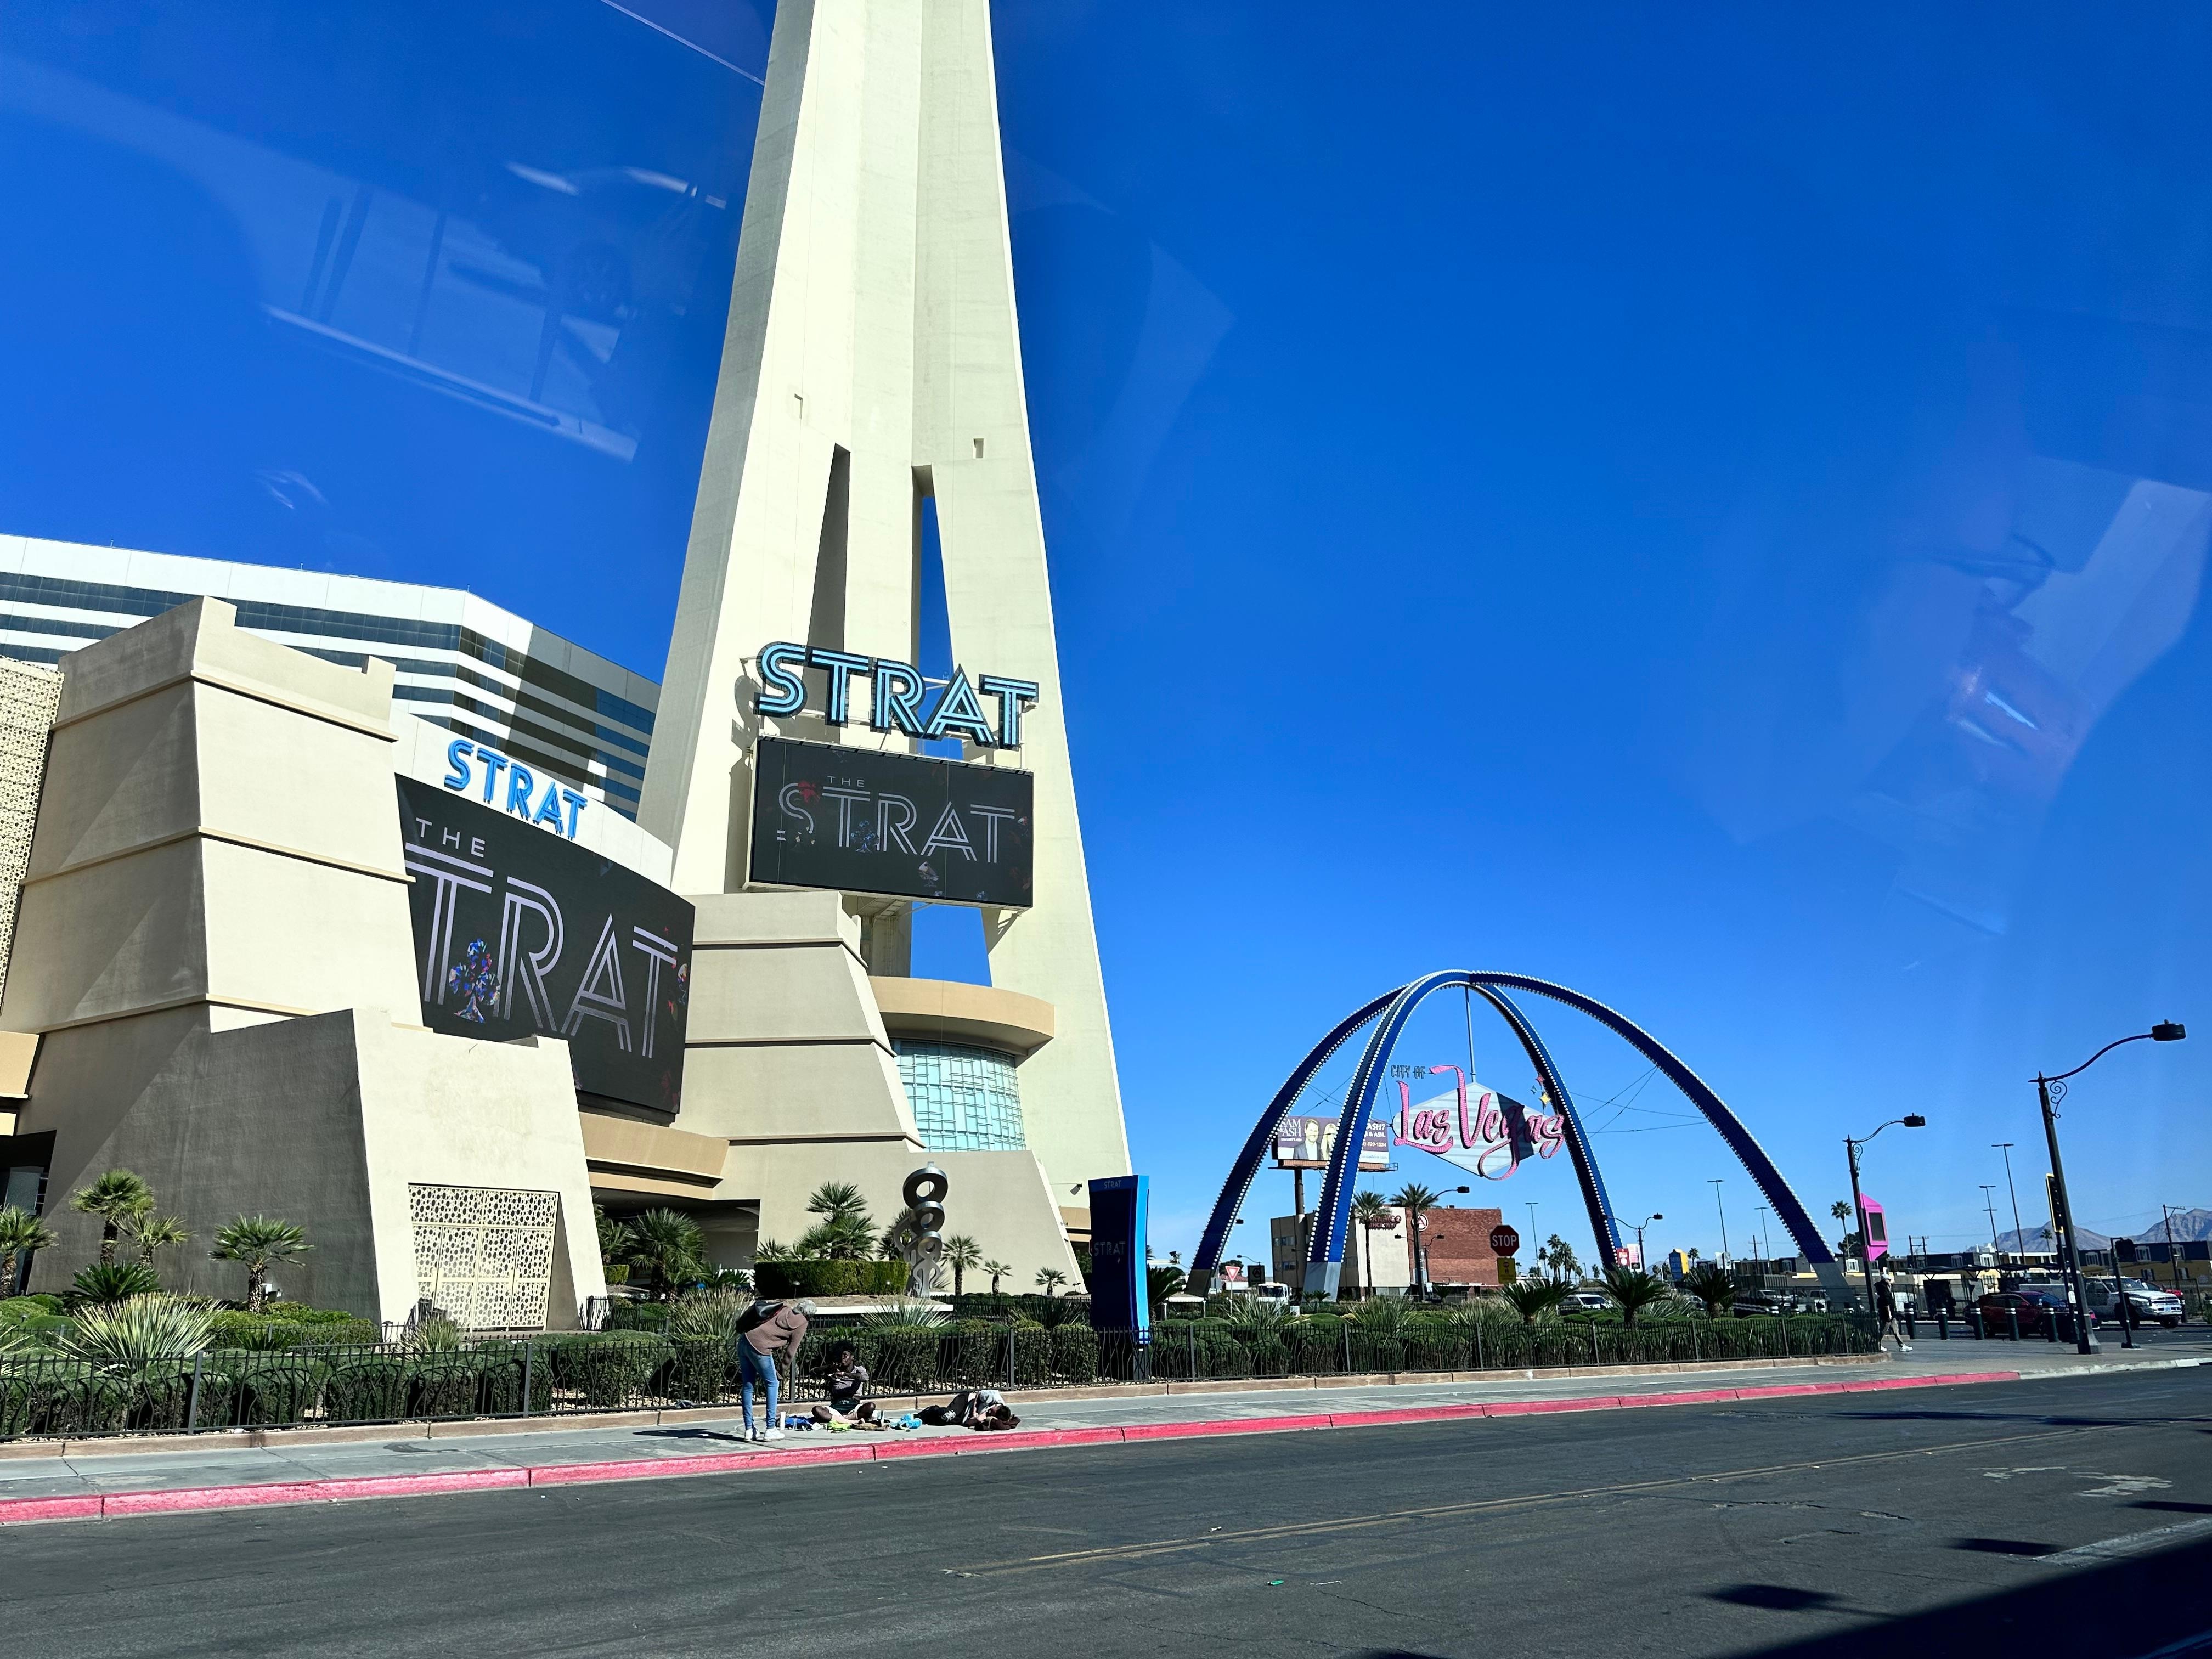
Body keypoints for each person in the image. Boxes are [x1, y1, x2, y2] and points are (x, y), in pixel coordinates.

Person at [739, 1297, 813, 1441]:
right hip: (760, 1348)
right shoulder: (803, 1322)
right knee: (773, 1383)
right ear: (809, 1315)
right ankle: (771, 1429)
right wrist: (781, 1371)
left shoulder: (785, 1309)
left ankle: (749, 1430)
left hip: (745, 1341)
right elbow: (791, 1352)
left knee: (748, 1386)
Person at [811, 1340, 878, 1426]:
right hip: (836, 1407)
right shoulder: (835, 1370)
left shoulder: (859, 1370)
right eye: (841, 1356)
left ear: (852, 1358)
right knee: (817, 1410)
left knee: (871, 1406)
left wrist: (845, 1374)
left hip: (853, 1407)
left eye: (845, 1356)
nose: (842, 1358)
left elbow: (865, 1378)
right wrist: (828, 1367)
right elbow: (813, 1372)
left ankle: (841, 1420)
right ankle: (853, 1422)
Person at [917, 1386, 1021, 1430]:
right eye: (992, 1411)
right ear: (998, 1406)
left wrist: (978, 1419)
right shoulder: (994, 1397)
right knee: (948, 1415)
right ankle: (930, 1410)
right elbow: (978, 1394)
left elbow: (968, 1424)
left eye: (992, 1414)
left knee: (941, 1421)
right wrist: (974, 1411)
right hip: (966, 1401)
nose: (990, 1412)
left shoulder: (989, 1417)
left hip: (963, 1417)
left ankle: (922, 1418)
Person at [1875, 1276, 1912, 1353]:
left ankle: (1901, 1345)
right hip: (1887, 1315)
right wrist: (1889, 1314)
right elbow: (1886, 1303)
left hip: (1891, 1314)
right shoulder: (1883, 1290)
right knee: (1883, 1331)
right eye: (1889, 1280)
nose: (1890, 1282)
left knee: (1896, 1331)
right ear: (1886, 1280)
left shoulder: (1886, 1288)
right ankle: (1877, 1344)